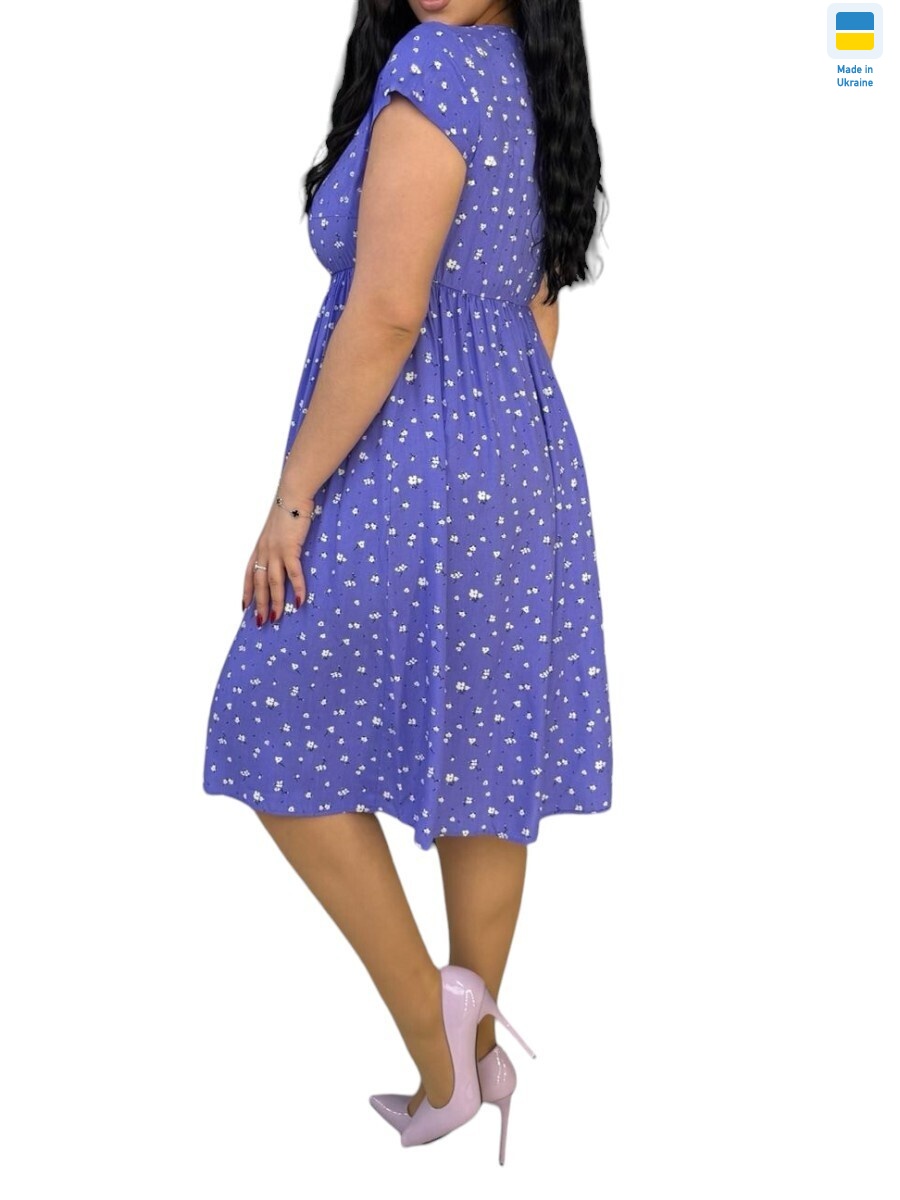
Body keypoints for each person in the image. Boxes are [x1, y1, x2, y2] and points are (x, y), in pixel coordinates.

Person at [202, 0, 612, 1162]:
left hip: (409, 453)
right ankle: (479, 1049)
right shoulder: (532, 72)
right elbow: (538, 303)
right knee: (483, 755)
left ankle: (439, 1043)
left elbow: (387, 312)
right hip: (520, 454)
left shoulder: (435, 66)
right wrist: (493, 448)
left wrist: (294, 498)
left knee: (269, 713)